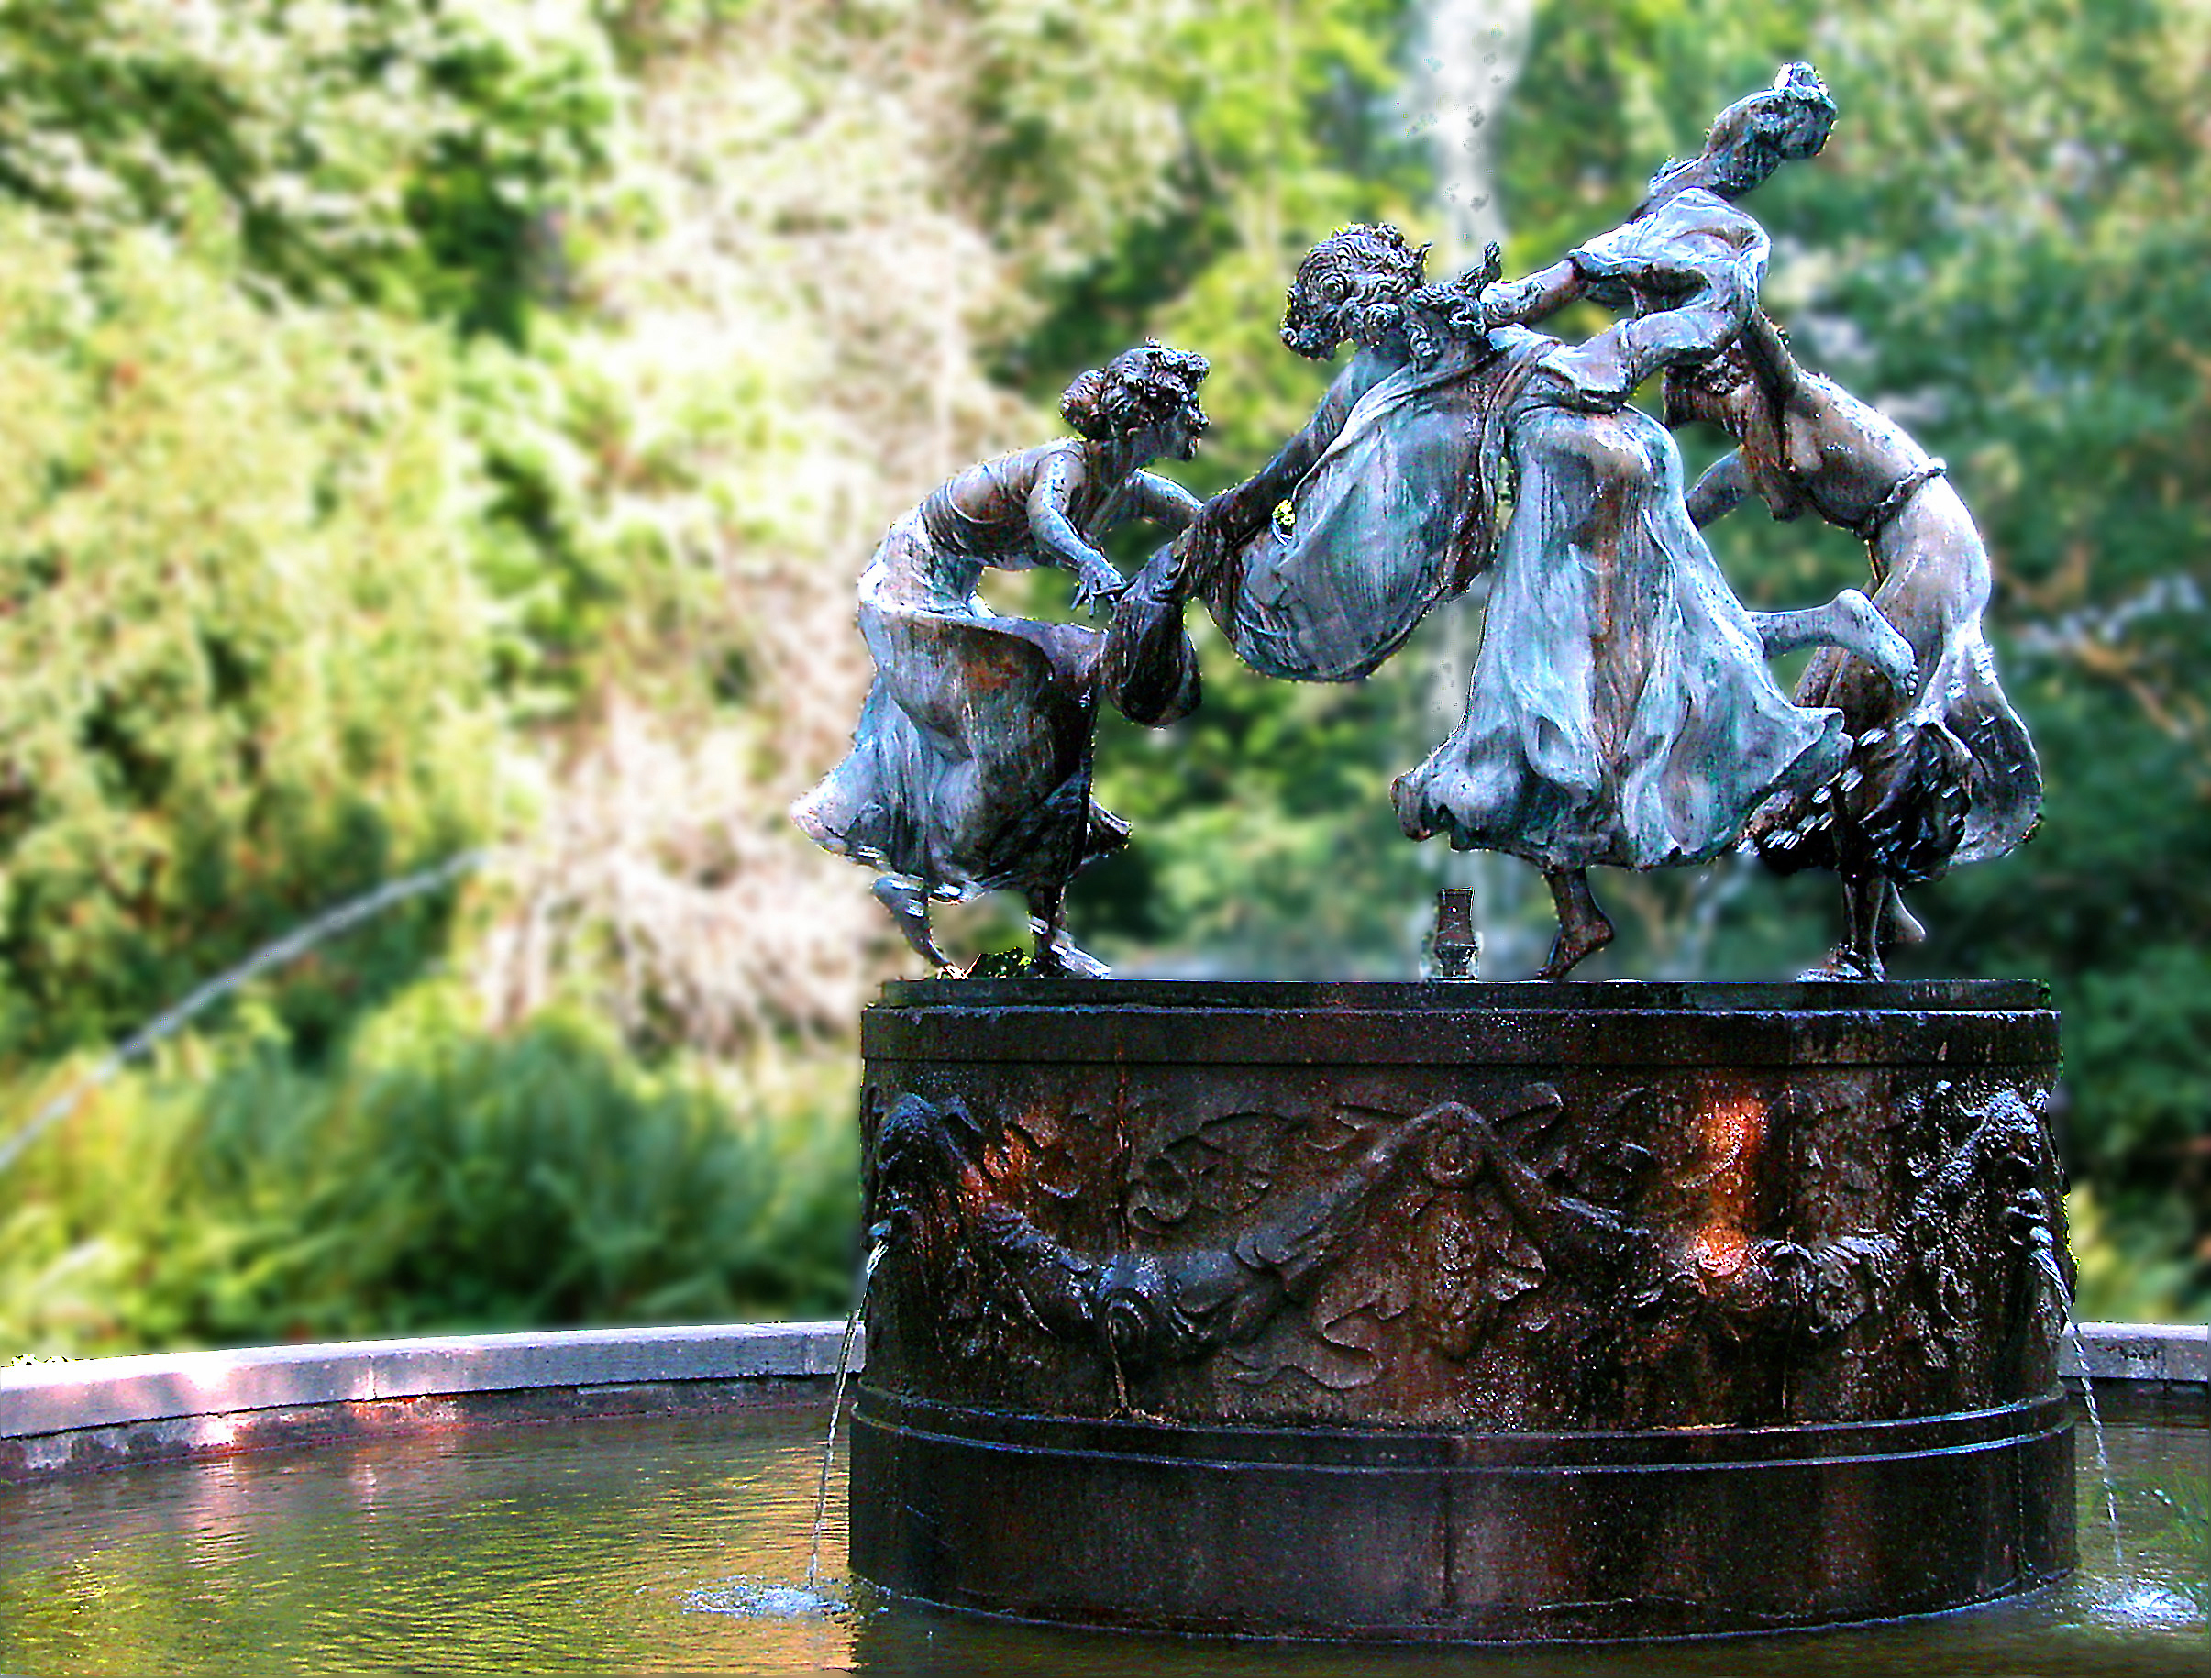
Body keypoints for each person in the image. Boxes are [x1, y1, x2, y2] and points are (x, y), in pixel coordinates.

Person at [791, 342, 1210, 975]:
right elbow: (1046, 518)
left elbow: (1204, 520)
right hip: (909, 587)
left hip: (954, 594)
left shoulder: (1130, 487)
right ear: (1141, 424)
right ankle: (927, 873)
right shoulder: (1069, 466)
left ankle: (1046, 935)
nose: (1199, 421)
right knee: (1044, 704)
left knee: (1063, 721)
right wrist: (1089, 563)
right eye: (1186, 409)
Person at [1666, 313, 2043, 977]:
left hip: (1932, 549)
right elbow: (1686, 516)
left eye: (1703, 401)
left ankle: (1863, 951)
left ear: (1728, 375)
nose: (1712, 418)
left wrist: (1709, 282)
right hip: (1904, 559)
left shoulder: (1793, 397)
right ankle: (1887, 910)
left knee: (1854, 735)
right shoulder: (1756, 448)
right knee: (1824, 713)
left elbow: (1750, 323)